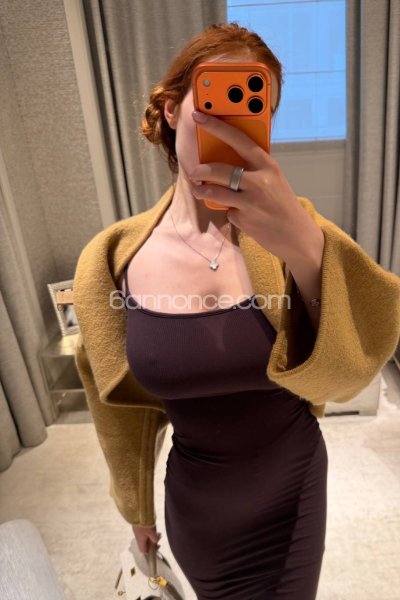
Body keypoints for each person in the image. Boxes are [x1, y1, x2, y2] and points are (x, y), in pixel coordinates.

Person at [73, 22, 400, 600]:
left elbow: (351, 377)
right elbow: (115, 406)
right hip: (200, 509)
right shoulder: (112, 259)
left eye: (250, 108)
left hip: (295, 493)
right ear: (171, 109)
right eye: (211, 104)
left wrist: (306, 251)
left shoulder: (299, 233)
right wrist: (135, 506)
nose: (227, 126)